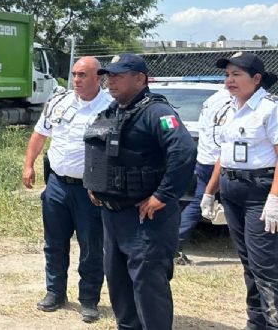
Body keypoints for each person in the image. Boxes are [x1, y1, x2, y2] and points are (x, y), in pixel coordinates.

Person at [84, 53, 196, 330]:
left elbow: (184, 152)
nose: (111, 81)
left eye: (119, 76)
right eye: (109, 76)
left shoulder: (157, 112)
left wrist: (163, 195)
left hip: (146, 219)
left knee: (148, 288)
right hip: (113, 217)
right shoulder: (113, 111)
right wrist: (95, 184)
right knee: (119, 286)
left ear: (140, 79)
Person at [22, 56, 112, 322]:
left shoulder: (111, 107)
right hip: (57, 186)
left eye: (83, 75)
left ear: (99, 77)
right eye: (74, 74)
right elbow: (40, 134)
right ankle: (55, 292)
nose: (76, 80)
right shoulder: (59, 102)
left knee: (91, 246)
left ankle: (89, 300)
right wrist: (29, 164)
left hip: (90, 191)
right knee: (54, 243)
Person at [201, 51, 278, 330]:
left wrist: (274, 199)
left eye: (236, 74)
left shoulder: (269, 108)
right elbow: (226, 153)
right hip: (232, 189)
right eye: (226, 74)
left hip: (260, 191)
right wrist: (210, 191)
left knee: (265, 265)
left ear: (256, 79)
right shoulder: (230, 108)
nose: (229, 80)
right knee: (248, 263)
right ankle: (255, 321)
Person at [175, 86, 230, 264]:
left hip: (205, 158)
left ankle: (174, 243)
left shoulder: (212, 99)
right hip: (220, 160)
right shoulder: (232, 102)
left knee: (200, 200)